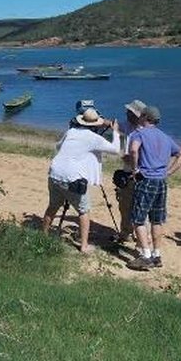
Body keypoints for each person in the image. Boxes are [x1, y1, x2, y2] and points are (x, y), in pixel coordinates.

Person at [41, 108, 120, 253]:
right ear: (96, 124)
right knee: (84, 211)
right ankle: (84, 246)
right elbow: (115, 149)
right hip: (72, 178)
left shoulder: (71, 132)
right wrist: (115, 131)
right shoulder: (93, 138)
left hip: (54, 173)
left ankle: (43, 235)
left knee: (52, 206)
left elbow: (58, 146)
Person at [126, 106, 181, 270]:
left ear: (144, 117)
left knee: (138, 218)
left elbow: (133, 150)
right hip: (161, 181)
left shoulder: (139, 133)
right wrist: (168, 172)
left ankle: (145, 255)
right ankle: (157, 254)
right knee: (157, 218)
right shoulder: (165, 137)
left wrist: (135, 169)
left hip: (146, 179)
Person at [114, 99, 147, 243]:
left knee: (139, 207)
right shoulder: (127, 125)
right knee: (124, 205)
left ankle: (141, 239)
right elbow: (113, 125)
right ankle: (126, 232)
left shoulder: (145, 132)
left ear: (137, 115)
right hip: (127, 172)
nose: (126, 114)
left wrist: (133, 161)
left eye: (129, 112)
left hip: (139, 173)